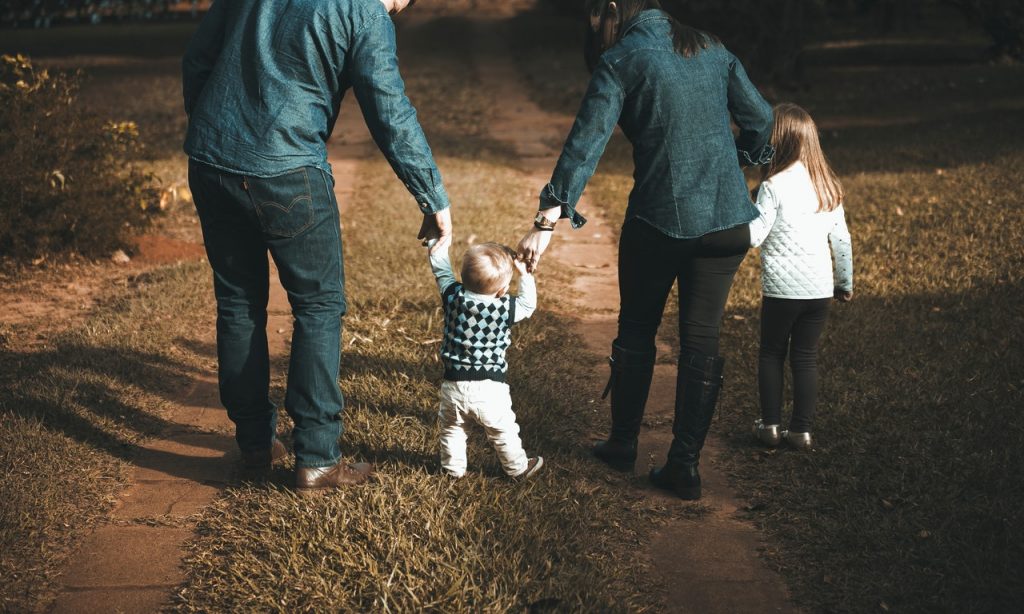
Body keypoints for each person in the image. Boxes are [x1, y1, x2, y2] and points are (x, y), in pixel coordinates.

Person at [182, 0, 452, 493]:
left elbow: (198, 58)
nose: (397, 8)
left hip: (211, 161)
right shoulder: (365, 12)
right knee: (319, 305)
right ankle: (318, 457)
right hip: (287, 170)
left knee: (239, 304)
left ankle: (256, 445)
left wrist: (214, 135)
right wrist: (431, 196)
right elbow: (388, 110)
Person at [517, 0, 774, 500]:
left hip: (659, 220)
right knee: (702, 340)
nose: (594, 23)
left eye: (596, 13)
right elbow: (761, 120)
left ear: (614, 8)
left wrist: (545, 221)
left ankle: (621, 445)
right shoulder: (711, 46)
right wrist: (734, 166)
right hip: (727, 224)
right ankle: (684, 467)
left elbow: (584, 145)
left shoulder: (623, 58)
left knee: (637, 329)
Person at [748, 103, 854, 451]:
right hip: (819, 291)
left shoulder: (773, 187)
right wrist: (844, 283)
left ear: (777, 142)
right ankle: (802, 432)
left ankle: (770, 428)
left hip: (781, 292)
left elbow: (755, 236)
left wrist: (739, 214)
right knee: (806, 356)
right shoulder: (827, 187)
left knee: (771, 354)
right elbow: (841, 240)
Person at [427, 241, 544, 479]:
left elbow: (441, 270)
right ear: (501, 290)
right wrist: (525, 275)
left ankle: (452, 471)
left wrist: (436, 242)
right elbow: (528, 305)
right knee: (503, 430)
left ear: (463, 277)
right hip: (490, 388)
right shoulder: (505, 307)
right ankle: (518, 468)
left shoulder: (453, 297)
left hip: (453, 385)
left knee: (452, 429)